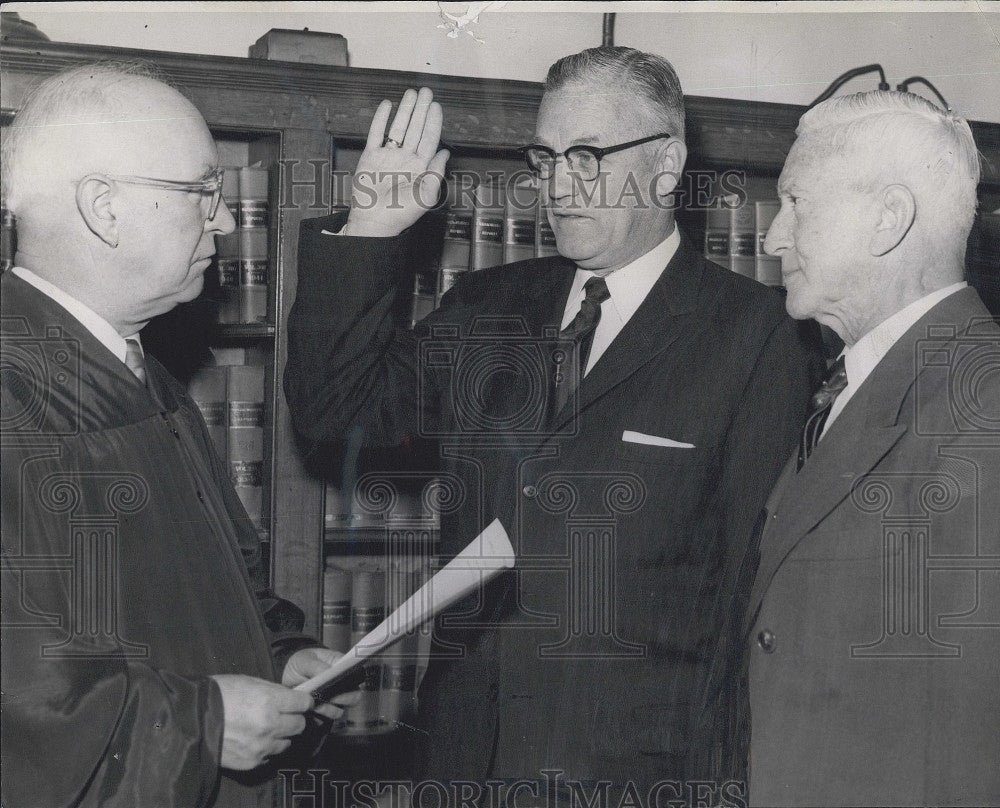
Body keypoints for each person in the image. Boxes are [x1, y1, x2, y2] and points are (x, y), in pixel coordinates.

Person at [285, 47, 824, 805]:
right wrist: (373, 225)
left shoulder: (758, 336)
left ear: (667, 164)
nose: (557, 185)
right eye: (545, 156)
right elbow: (333, 414)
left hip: (637, 777)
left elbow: (754, 603)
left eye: (587, 156)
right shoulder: (486, 307)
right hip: (463, 764)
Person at [0, 62, 355, 808]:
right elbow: (20, 693)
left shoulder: (143, 377)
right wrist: (205, 722)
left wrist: (279, 657)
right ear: (105, 208)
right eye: (202, 193)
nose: (225, 222)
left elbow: (198, 596)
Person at [742, 90, 1000, 806]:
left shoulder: (983, 409)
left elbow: (975, 746)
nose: (773, 239)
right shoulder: (858, 381)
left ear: (888, 218)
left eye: (796, 204)